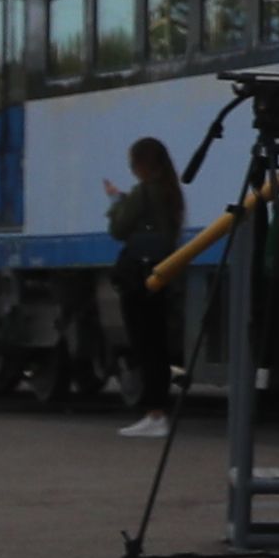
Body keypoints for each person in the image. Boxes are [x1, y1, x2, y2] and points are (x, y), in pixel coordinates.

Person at [104, 134, 186, 440]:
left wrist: (115, 202)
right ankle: (157, 411)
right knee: (158, 345)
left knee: (145, 344)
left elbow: (119, 229)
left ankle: (155, 414)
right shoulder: (170, 192)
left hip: (139, 276)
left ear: (140, 165)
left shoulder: (143, 193)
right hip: (161, 272)